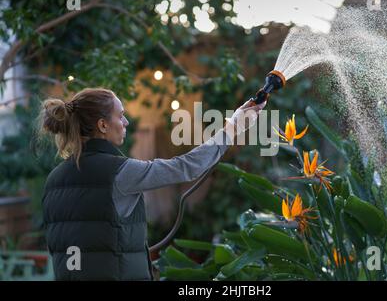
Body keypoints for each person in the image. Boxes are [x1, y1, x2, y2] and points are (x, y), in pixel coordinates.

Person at [40, 87, 265, 280]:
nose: (126, 122)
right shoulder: (119, 172)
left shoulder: (54, 180)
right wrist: (234, 126)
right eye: (120, 116)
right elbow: (187, 166)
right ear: (103, 125)